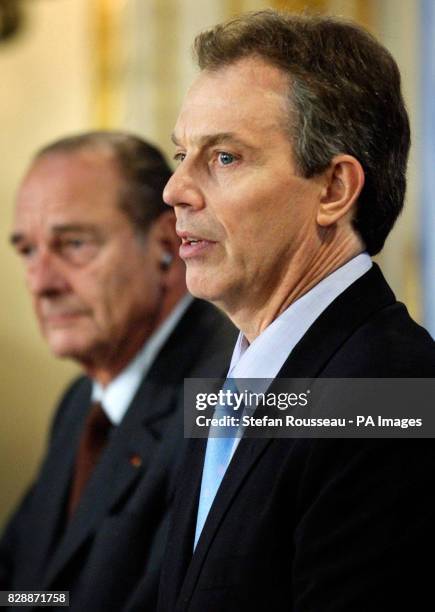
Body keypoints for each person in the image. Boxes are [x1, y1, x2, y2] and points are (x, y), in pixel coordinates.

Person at [158, 11, 435, 612]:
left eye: (224, 157)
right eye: (181, 153)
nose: (175, 189)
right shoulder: (225, 378)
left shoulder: (393, 397)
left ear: (333, 190)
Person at [0, 131, 236, 611]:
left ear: (165, 246)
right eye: (27, 250)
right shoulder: (79, 404)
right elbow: (31, 588)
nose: (42, 282)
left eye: (74, 244)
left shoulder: (226, 396)